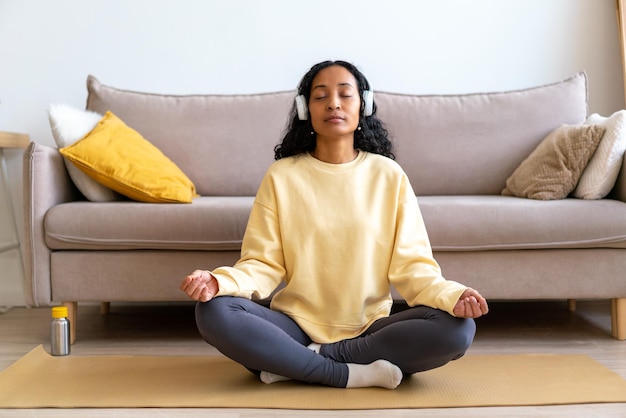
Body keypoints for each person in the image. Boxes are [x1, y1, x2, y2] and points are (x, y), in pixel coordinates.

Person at [180, 60, 489, 389]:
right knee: (213, 311)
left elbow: (413, 267)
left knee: (459, 328)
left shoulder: (389, 176)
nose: (334, 103)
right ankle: (347, 373)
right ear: (304, 108)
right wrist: (218, 282)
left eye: (345, 94)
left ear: (363, 105)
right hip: (293, 325)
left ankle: (297, 361)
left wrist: (452, 295)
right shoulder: (282, 176)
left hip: (369, 328)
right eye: (320, 96)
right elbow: (261, 264)